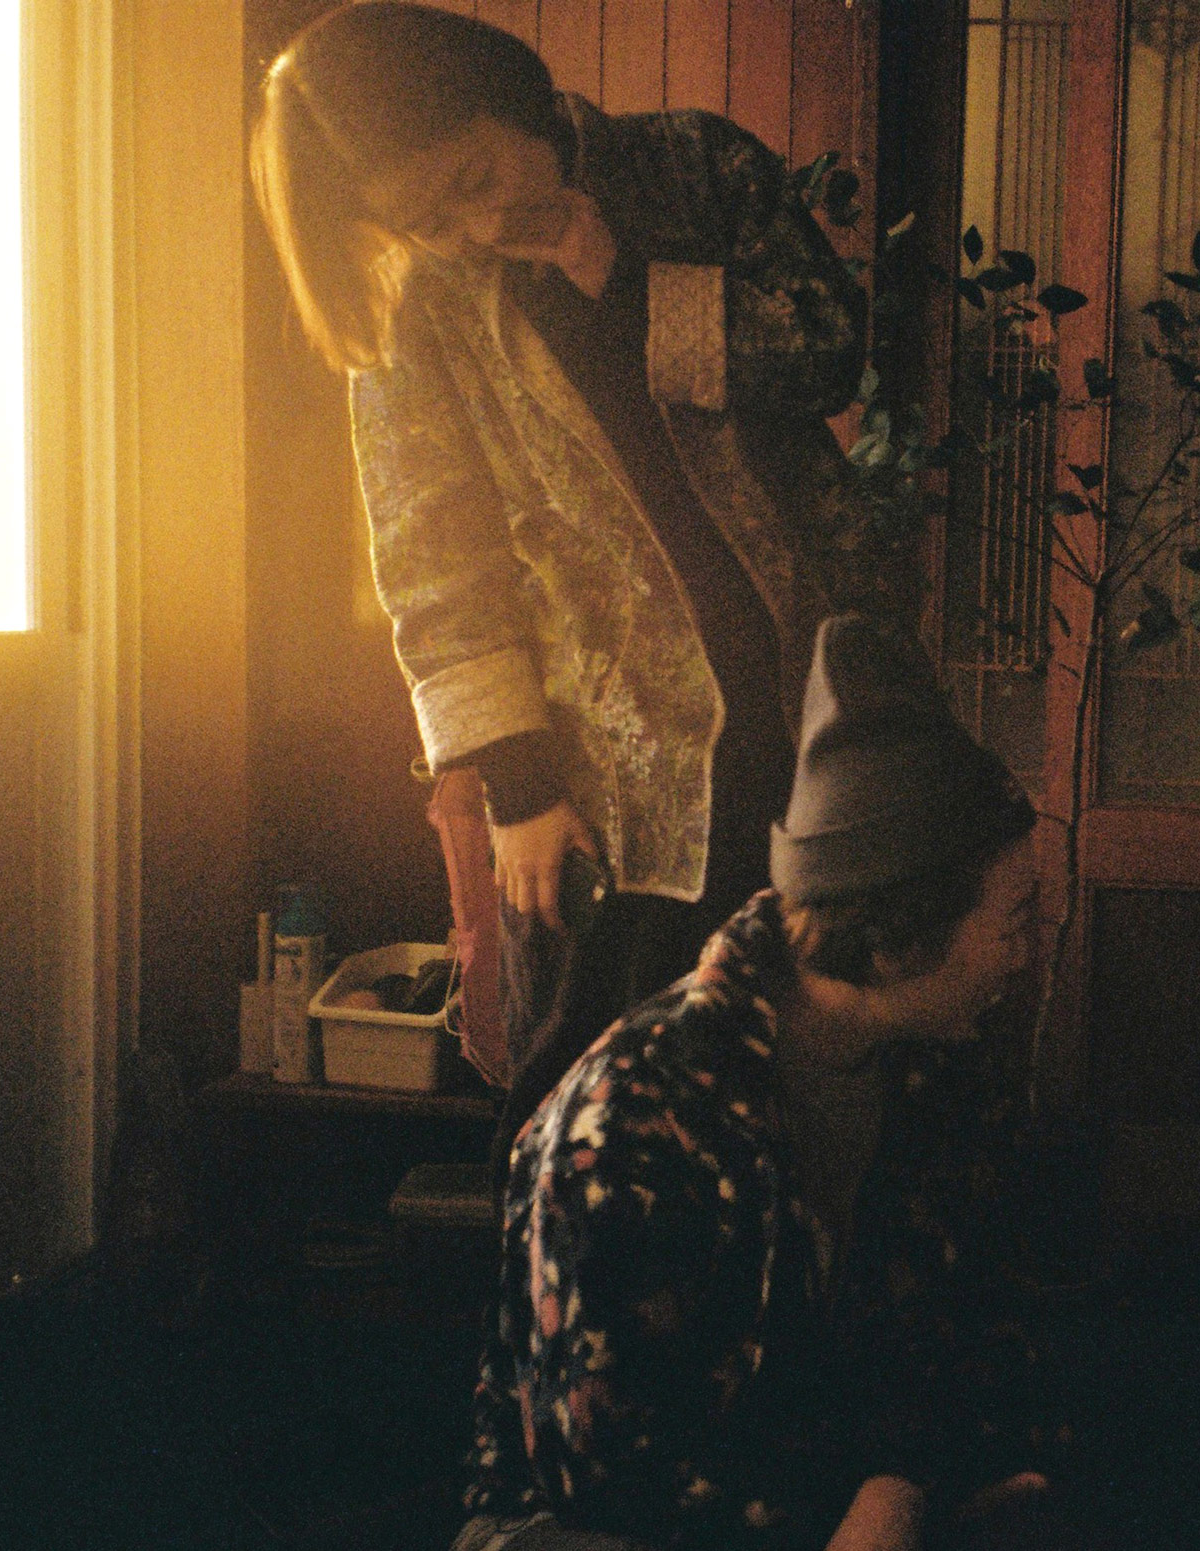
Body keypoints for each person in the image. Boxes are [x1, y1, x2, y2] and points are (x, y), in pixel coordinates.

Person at [448, 615, 1115, 1551]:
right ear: (899, 937)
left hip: (855, 1491)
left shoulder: (946, 1071)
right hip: (600, 1522)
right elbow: (608, 1465)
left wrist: (899, 1490)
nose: (1028, 954)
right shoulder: (635, 1110)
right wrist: (869, 1506)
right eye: (1014, 920)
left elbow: (994, 1335)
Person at [250, 4, 878, 1156]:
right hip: (605, 764)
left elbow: (831, 348)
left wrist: (624, 278)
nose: (480, 226)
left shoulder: (691, 165)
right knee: (592, 1106)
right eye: (432, 220)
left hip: (819, 701)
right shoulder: (418, 297)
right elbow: (432, 552)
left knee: (813, 1078)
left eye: (477, 178)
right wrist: (520, 788)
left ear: (504, 90)